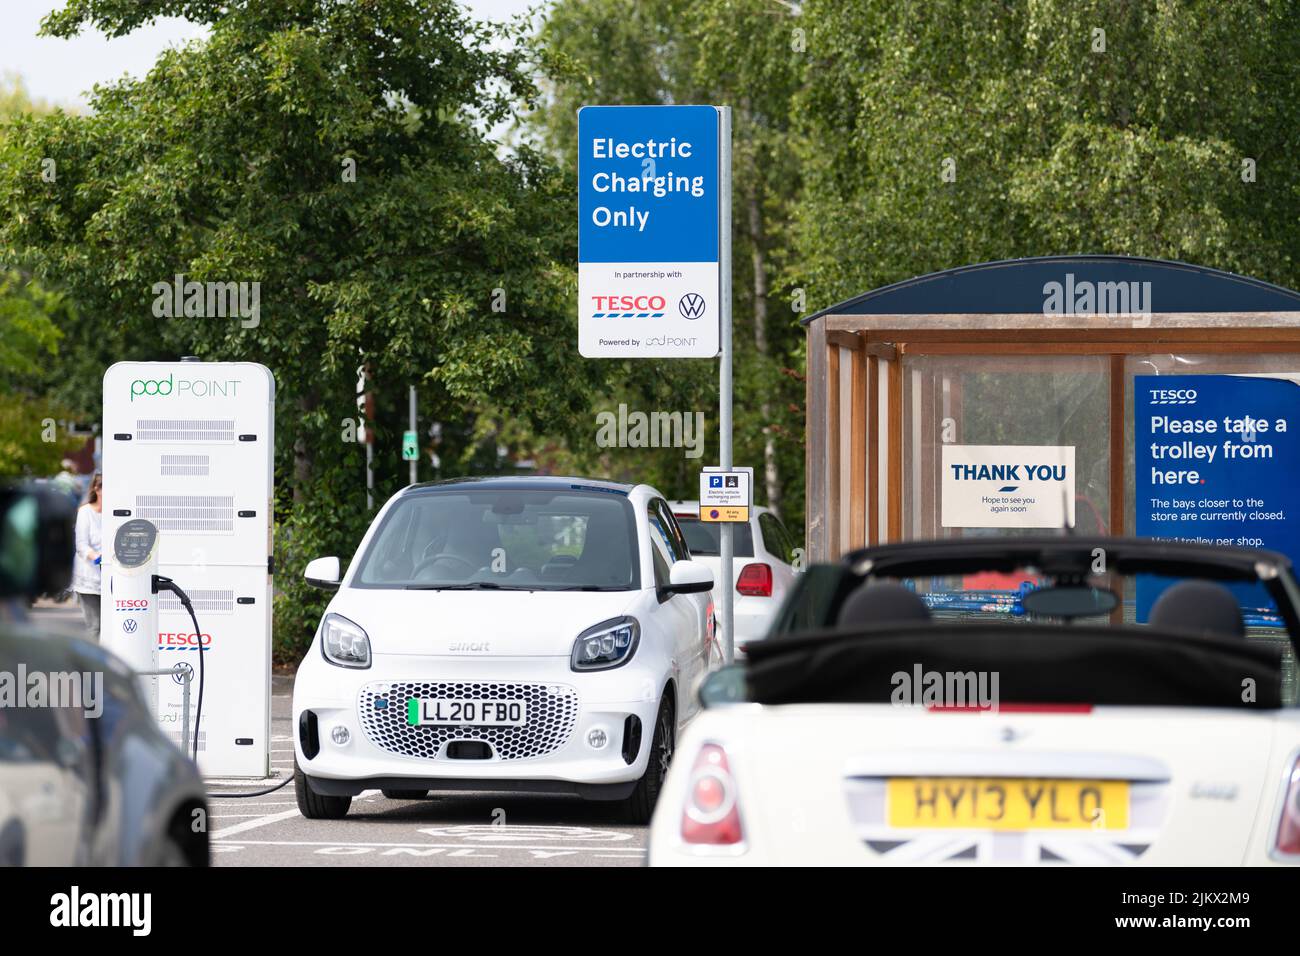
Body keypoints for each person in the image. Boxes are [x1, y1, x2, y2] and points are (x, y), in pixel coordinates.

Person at [73, 472, 103, 640]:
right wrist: (98, 557)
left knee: (110, 627)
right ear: (97, 489)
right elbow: (81, 545)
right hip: (89, 577)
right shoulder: (85, 512)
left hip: (110, 579)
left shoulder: (113, 513)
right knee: (95, 626)